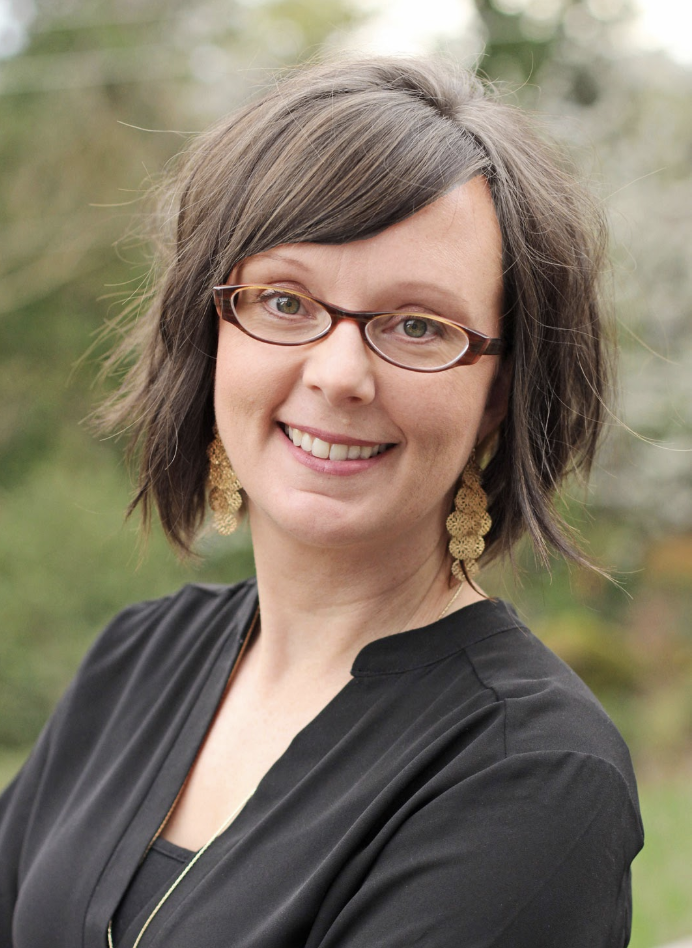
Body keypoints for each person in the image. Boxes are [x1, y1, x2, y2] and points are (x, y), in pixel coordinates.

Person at [0, 57, 643, 948]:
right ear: (213, 331)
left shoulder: (530, 774)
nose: (339, 375)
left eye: (417, 325)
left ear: (498, 395)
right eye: (285, 300)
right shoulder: (137, 657)